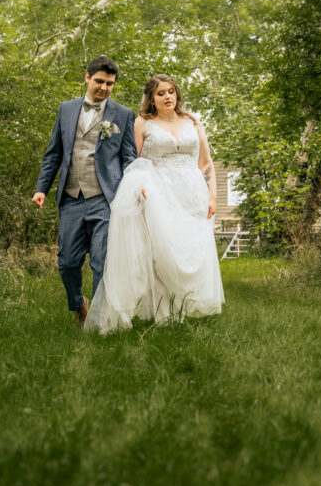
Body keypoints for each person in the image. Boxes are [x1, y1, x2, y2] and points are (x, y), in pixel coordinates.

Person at [84, 74, 224, 334]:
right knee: (162, 253)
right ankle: (164, 313)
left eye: (171, 91)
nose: (168, 96)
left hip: (193, 196)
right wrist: (139, 188)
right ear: (151, 99)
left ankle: (184, 305)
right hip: (160, 194)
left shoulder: (193, 121)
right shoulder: (143, 123)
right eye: (161, 93)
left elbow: (206, 163)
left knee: (189, 252)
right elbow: (132, 161)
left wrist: (212, 196)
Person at [32, 56, 138, 326]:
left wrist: (134, 189)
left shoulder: (123, 115)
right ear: (87, 77)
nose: (104, 88)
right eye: (100, 81)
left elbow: (129, 158)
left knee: (102, 263)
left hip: (105, 198)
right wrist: (41, 188)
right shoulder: (66, 110)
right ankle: (79, 303)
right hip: (70, 199)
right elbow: (54, 153)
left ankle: (100, 320)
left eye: (110, 84)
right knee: (67, 262)